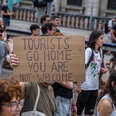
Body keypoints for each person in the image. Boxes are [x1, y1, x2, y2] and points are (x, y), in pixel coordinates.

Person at [76, 31, 107, 116]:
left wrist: (101, 69)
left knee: (89, 113)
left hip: (95, 87)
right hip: (85, 87)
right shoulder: (89, 51)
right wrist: (78, 85)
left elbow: (94, 66)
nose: (102, 40)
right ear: (95, 39)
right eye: (101, 38)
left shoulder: (100, 51)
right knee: (78, 112)